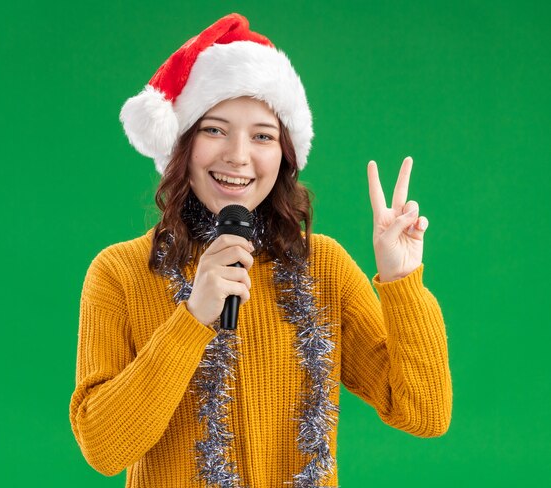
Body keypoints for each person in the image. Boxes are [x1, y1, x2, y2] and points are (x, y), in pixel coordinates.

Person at [69, 13, 452, 487]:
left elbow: (425, 413)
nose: (238, 155)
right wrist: (191, 319)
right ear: (181, 145)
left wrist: (402, 282)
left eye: (263, 135)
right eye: (214, 129)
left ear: (285, 155)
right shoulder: (120, 273)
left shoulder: (323, 266)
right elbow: (103, 448)